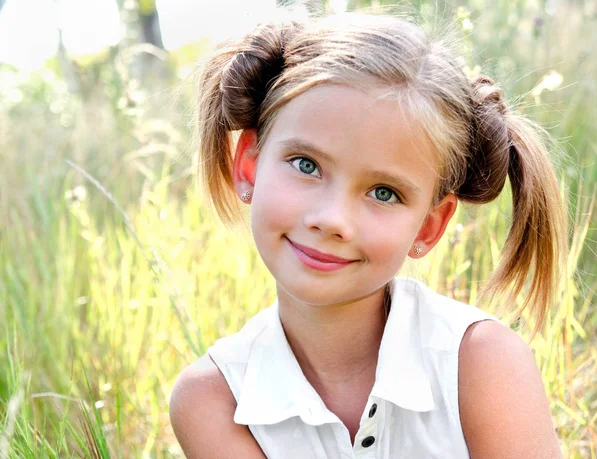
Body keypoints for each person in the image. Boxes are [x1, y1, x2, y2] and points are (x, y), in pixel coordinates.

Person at [169, 10, 567, 459]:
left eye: (383, 192)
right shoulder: (216, 400)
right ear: (249, 163)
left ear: (430, 225)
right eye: (306, 165)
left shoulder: (481, 364)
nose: (333, 219)